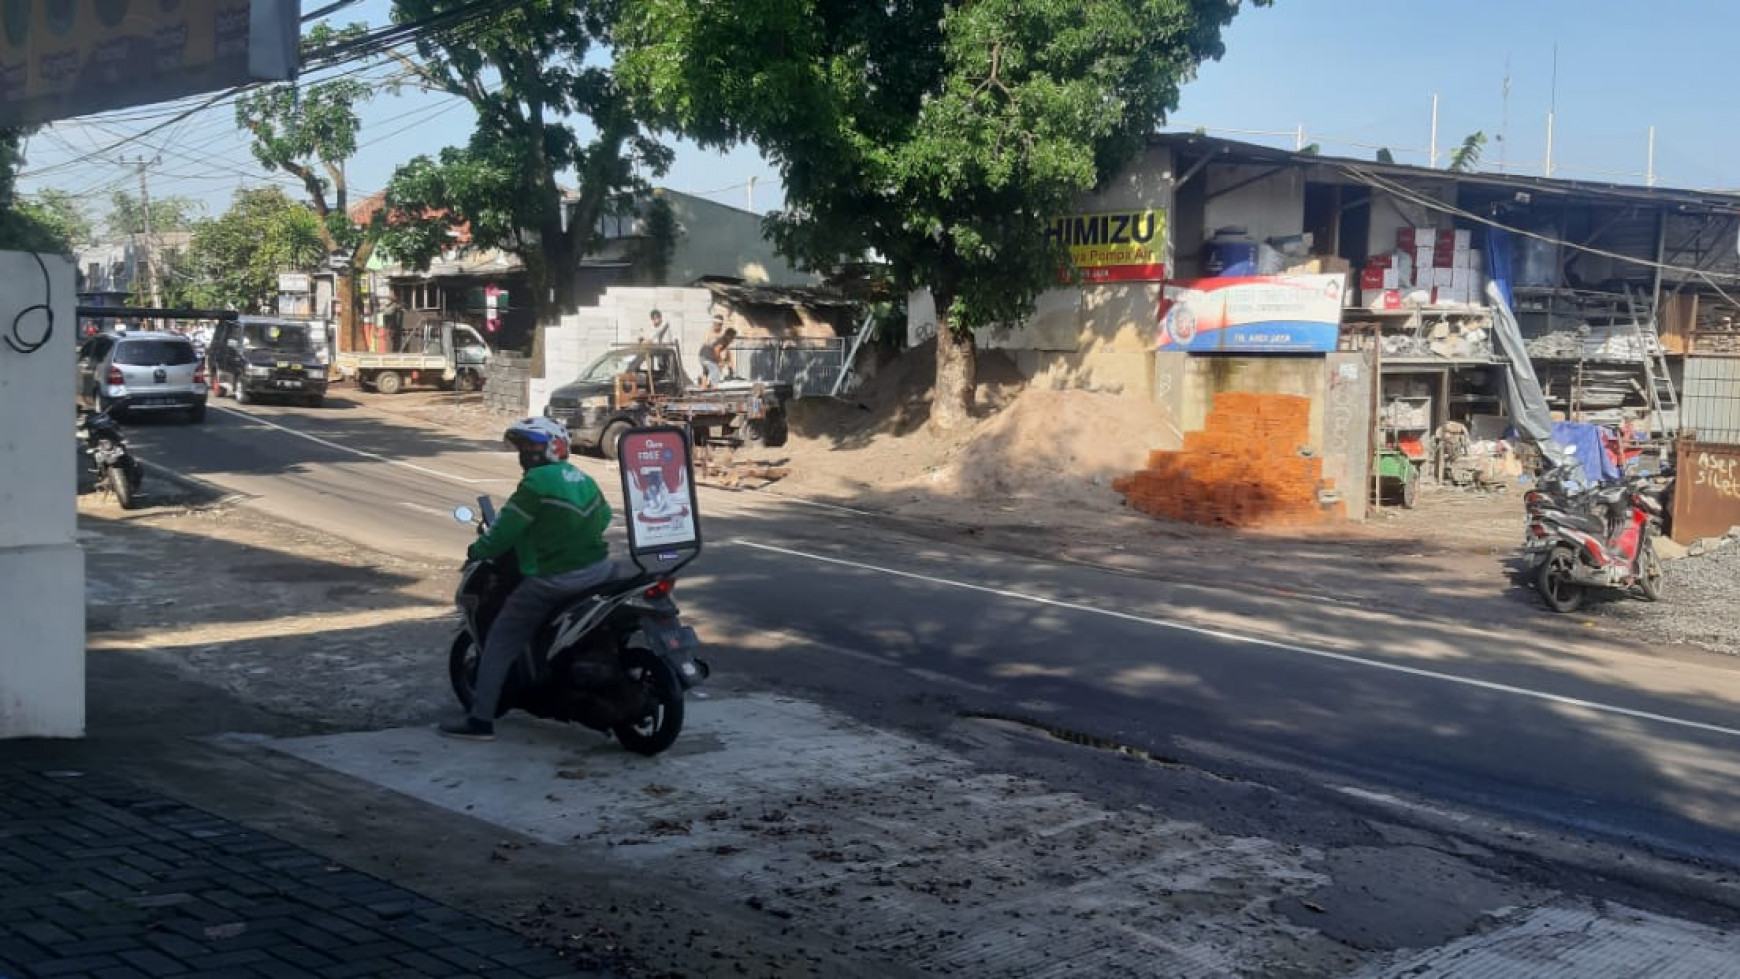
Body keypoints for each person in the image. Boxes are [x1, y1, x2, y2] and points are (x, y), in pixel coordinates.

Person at [439, 417, 615, 741]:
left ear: (551, 448)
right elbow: (603, 518)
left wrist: (476, 550)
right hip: (601, 572)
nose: (525, 454)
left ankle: (480, 721)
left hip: (555, 580)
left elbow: (502, 534)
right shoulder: (584, 479)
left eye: (531, 446)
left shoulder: (535, 485)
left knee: (500, 642)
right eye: (523, 447)